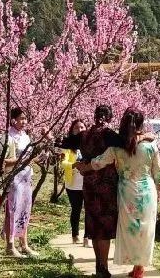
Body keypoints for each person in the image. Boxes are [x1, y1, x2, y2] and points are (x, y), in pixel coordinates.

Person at [76, 107, 160, 278]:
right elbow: (158, 172)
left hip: (126, 192)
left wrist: (81, 167)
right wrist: (158, 190)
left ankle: (130, 263)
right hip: (147, 191)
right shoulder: (150, 144)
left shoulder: (117, 146)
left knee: (129, 230)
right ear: (141, 123)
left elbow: (97, 163)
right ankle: (139, 267)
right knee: (145, 230)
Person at [62, 105, 121, 277]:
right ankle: (103, 267)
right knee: (104, 227)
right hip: (106, 185)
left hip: (88, 184)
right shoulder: (109, 134)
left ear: (95, 117)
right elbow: (126, 144)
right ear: (109, 118)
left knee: (94, 225)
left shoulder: (84, 135)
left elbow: (66, 142)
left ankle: (98, 266)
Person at [2, 107, 39, 258]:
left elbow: (30, 158)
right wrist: (22, 160)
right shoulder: (8, 137)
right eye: (21, 118)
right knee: (13, 209)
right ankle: (10, 245)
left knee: (25, 208)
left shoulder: (25, 136)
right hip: (13, 178)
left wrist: (37, 158)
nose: (24, 121)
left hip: (26, 177)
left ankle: (24, 244)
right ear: (13, 120)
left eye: (25, 118)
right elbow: (3, 162)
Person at [60, 119, 91, 247]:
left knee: (89, 210)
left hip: (88, 182)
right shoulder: (67, 145)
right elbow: (63, 163)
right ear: (72, 130)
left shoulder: (90, 144)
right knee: (76, 209)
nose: (80, 130)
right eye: (77, 128)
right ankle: (75, 235)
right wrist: (74, 164)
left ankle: (87, 237)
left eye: (82, 127)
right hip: (73, 183)